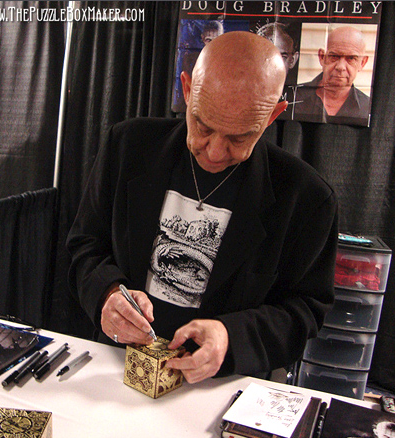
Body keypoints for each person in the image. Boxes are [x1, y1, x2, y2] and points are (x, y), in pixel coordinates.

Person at [67, 31, 338, 384]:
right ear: (187, 89)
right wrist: (106, 293)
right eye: (203, 126)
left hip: (223, 388)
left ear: (273, 116)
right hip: (118, 367)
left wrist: (230, 338)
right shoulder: (129, 147)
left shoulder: (306, 198)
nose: (214, 152)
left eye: (239, 138)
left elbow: (305, 311)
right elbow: (85, 244)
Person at [294, 26, 371, 125]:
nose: (341, 67)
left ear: (362, 63)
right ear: (322, 57)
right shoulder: (294, 97)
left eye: (351, 58)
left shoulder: (368, 107)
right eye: (334, 56)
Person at [257, 22, 300, 119]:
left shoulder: (306, 102)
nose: (272, 65)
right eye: (264, 56)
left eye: (282, 57)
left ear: (293, 60)